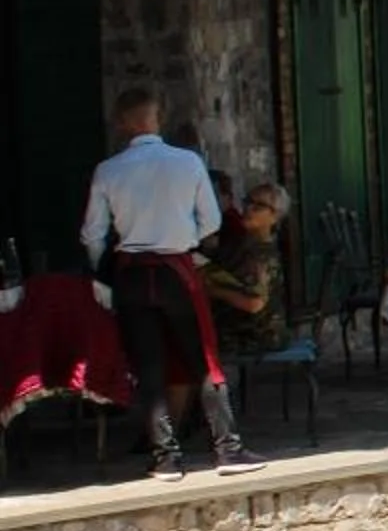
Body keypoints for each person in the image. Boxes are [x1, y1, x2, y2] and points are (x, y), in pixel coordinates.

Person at [80, 88, 263, 478]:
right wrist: (185, 239)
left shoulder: (108, 170)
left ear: (125, 124)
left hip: (131, 272)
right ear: (155, 118)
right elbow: (210, 222)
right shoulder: (188, 163)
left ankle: (165, 456)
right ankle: (227, 449)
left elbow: (92, 234)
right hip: (176, 270)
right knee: (204, 360)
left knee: (148, 365)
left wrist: (104, 270)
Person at [203, 183, 289, 361]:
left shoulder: (263, 255)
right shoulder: (244, 244)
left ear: (274, 216)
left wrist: (211, 290)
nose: (248, 209)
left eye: (258, 206)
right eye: (247, 202)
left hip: (256, 334)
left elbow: (253, 303)